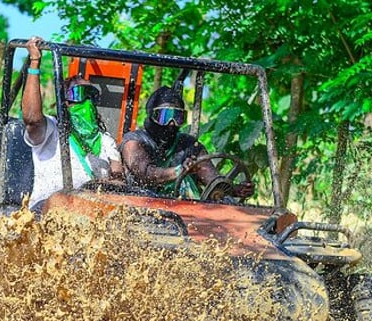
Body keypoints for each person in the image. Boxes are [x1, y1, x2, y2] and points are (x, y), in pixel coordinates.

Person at [22, 36, 123, 211]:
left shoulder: (106, 141)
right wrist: (35, 62)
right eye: (79, 94)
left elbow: (119, 180)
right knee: (60, 201)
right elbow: (32, 119)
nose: (87, 101)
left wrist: (103, 185)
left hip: (90, 210)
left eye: (91, 95)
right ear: (65, 102)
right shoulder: (52, 130)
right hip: (46, 209)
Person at [120, 85, 254, 200]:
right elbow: (146, 174)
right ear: (151, 116)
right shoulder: (134, 142)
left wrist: (233, 190)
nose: (171, 123)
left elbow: (213, 179)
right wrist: (180, 171)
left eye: (177, 117)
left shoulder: (189, 144)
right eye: (165, 116)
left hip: (184, 212)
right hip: (140, 208)